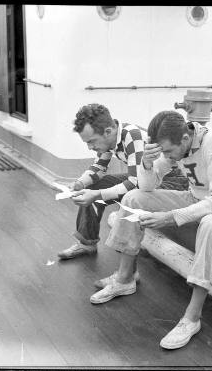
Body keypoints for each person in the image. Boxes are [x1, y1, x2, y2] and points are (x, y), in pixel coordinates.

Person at [90, 110, 212, 350]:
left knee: (210, 224)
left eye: (167, 152)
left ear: (185, 140)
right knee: (134, 197)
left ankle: (192, 318)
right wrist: (146, 163)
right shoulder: (177, 142)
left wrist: (171, 217)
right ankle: (125, 279)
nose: (166, 156)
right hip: (194, 198)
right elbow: (146, 186)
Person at [58, 104, 188, 271]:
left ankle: (127, 273)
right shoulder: (110, 139)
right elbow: (100, 167)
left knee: (106, 193)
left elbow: (136, 183)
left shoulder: (132, 136)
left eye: (91, 141)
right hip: (144, 178)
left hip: (169, 181)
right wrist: (80, 183)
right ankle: (86, 242)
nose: (90, 147)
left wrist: (97, 194)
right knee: (95, 185)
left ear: (108, 131)